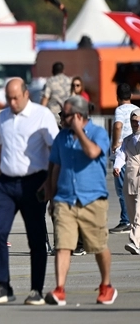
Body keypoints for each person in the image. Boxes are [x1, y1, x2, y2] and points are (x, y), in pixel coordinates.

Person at [0, 77, 59, 305]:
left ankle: (36, 289)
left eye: (15, 97)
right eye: (8, 98)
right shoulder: (3, 117)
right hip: (5, 184)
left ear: (27, 94)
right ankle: (3, 285)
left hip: (33, 183)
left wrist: (51, 184)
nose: (12, 102)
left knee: (36, 238)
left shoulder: (42, 115)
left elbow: (54, 151)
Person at [42, 97, 116, 306]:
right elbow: (55, 167)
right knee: (63, 245)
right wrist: (51, 196)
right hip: (65, 199)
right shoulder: (61, 138)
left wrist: (79, 132)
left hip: (92, 199)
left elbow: (92, 152)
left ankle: (106, 285)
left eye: (64, 115)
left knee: (98, 246)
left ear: (77, 116)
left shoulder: (98, 133)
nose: (61, 118)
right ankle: (59, 289)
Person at [109, 83, 138, 233]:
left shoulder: (119, 110)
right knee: (135, 188)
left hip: (122, 152)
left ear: (117, 97)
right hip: (135, 153)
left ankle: (126, 220)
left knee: (122, 189)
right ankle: (133, 220)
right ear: (131, 96)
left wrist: (115, 143)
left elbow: (118, 126)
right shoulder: (137, 110)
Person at [115, 110, 140, 255]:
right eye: (133, 121)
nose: (136, 124)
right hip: (130, 178)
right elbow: (121, 154)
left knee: (138, 212)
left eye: (138, 121)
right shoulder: (127, 140)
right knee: (132, 213)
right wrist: (117, 166)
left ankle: (134, 242)